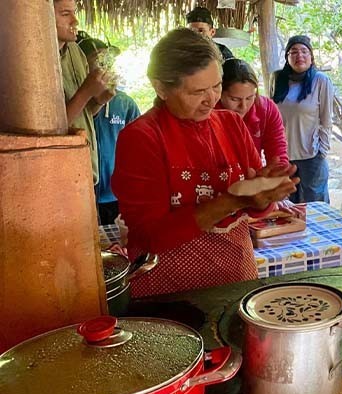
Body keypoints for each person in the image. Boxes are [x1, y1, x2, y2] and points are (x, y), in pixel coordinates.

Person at [112, 29, 297, 298]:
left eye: (217, 86)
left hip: (236, 276)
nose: (211, 99)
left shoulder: (231, 124)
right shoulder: (141, 137)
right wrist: (233, 200)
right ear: (161, 88)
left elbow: (256, 209)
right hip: (169, 288)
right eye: (198, 91)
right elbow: (151, 235)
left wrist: (264, 195)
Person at [78, 36, 141, 225]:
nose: (105, 69)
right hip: (83, 194)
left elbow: (138, 149)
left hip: (117, 195)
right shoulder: (75, 102)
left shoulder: (124, 103)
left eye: (108, 62)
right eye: (98, 62)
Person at [54, 0, 113, 185]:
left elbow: (85, 113)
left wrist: (99, 101)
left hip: (86, 168)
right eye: (65, 14)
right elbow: (50, 129)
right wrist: (86, 92)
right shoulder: (37, 59)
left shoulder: (76, 52)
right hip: (61, 173)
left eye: (75, 12)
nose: (75, 21)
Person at [271, 35, 334, 203]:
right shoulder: (277, 79)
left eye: (304, 51)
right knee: (287, 206)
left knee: (316, 206)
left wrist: (321, 152)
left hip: (311, 155)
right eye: (294, 52)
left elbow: (326, 120)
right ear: (287, 57)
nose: (299, 55)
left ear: (311, 56)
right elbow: (271, 116)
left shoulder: (320, 80)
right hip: (283, 156)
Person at [217, 58, 289, 167]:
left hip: (255, 174)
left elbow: (277, 151)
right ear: (219, 93)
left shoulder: (267, 109)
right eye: (234, 99)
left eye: (249, 98)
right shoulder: (208, 114)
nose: (243, 107)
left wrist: (278, 172)